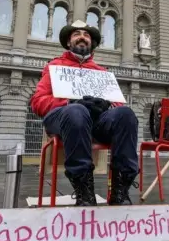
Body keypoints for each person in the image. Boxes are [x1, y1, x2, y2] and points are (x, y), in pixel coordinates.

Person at [31, 20, 139, 206]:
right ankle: (84, 192)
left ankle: (121, 189)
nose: (82, 37)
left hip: (95, 122)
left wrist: (106, 105)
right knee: (77, 111)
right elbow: (38, 102)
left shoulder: (101, 72)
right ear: (68, 42)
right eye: (76, 34)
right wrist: (68, 102)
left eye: (86, 35)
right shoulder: (54, 67)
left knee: (126, 115)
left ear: (92, 43)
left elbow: (118, 104)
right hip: (63, 117)